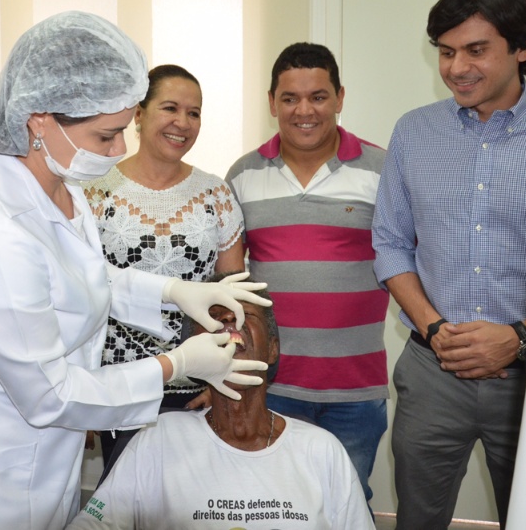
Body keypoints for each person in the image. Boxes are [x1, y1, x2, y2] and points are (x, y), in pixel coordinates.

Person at [0, 11, 272, 530]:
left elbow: (85, 278)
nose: (119, 150)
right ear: (40, 122)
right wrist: (176, 365)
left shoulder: (58, 184)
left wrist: (175, 291)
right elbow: (50, 395)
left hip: (45, 458)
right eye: (107, 136)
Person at [372, 0, 526, 529]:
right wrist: (434, 330)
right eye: (446, 52)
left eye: (477, 50)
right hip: (432, 374)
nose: (456, 68)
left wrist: (520, 335)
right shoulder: (413, 132)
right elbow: (390, 244)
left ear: (523, 47)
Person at [68, 271, 374, 530]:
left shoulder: (321, 451)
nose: (229, 318)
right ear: (193, 349)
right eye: (215, 315)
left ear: (272, 349)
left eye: (245, 314)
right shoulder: (158, 439)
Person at [225, 42, 389, 505]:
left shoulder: (382, 169)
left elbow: (408, 263)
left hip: (356, 388)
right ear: (272, 102)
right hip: (272, 384)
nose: (304, 111)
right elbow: (229, 283)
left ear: (340, 97)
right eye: (290, 98)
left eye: (318, 96)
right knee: (272, 506)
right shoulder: (242, 174)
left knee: (346, 504)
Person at [84, 64, 245, 468]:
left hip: (199, 381)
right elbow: (78, 294)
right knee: (125, 501)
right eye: (170, 108)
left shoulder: (215, 193)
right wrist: (82, 394)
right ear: (138, 113)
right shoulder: (94, 189)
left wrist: (221, 375)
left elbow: (235, 296)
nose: (183, 123)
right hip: (116, 381)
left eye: (194, 113)